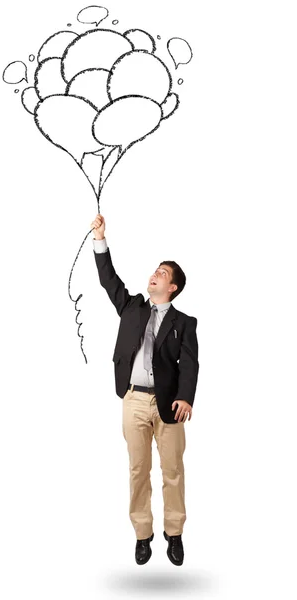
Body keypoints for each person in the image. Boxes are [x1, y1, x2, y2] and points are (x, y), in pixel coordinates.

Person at [90, 213, 199, 566]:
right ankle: (142, 535)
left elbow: (190, 363)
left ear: (173, 288)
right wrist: (100, 240)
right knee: (138, 470)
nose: (155, 275)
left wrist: (186, 396)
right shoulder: (132, 306)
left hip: (169, 405)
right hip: (134, 399)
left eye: (163, 274)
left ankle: (175, 533)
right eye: (156, 270)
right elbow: (109, 280)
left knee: (172, 471)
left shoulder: (184, 323)